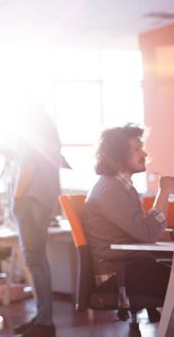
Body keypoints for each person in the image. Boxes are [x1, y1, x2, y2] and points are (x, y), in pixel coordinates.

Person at [82, 124, 174, 315]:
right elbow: (147, 233)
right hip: (119, 277)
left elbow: (143, 231)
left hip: (131, 267)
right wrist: (164, 191)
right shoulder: (110, 191)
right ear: (118, 156)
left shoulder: (122, 188)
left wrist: (161, 233)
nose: (145, 154)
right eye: (137, 149)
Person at [12, 104, 61, 337]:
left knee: (34, 261)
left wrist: (16, 197)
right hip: (43, 200)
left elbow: (26, 168)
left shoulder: (30, 133)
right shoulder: (49, 135)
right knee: (39, 261)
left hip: (29, 200)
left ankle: (45, 322)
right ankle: (43, 318)